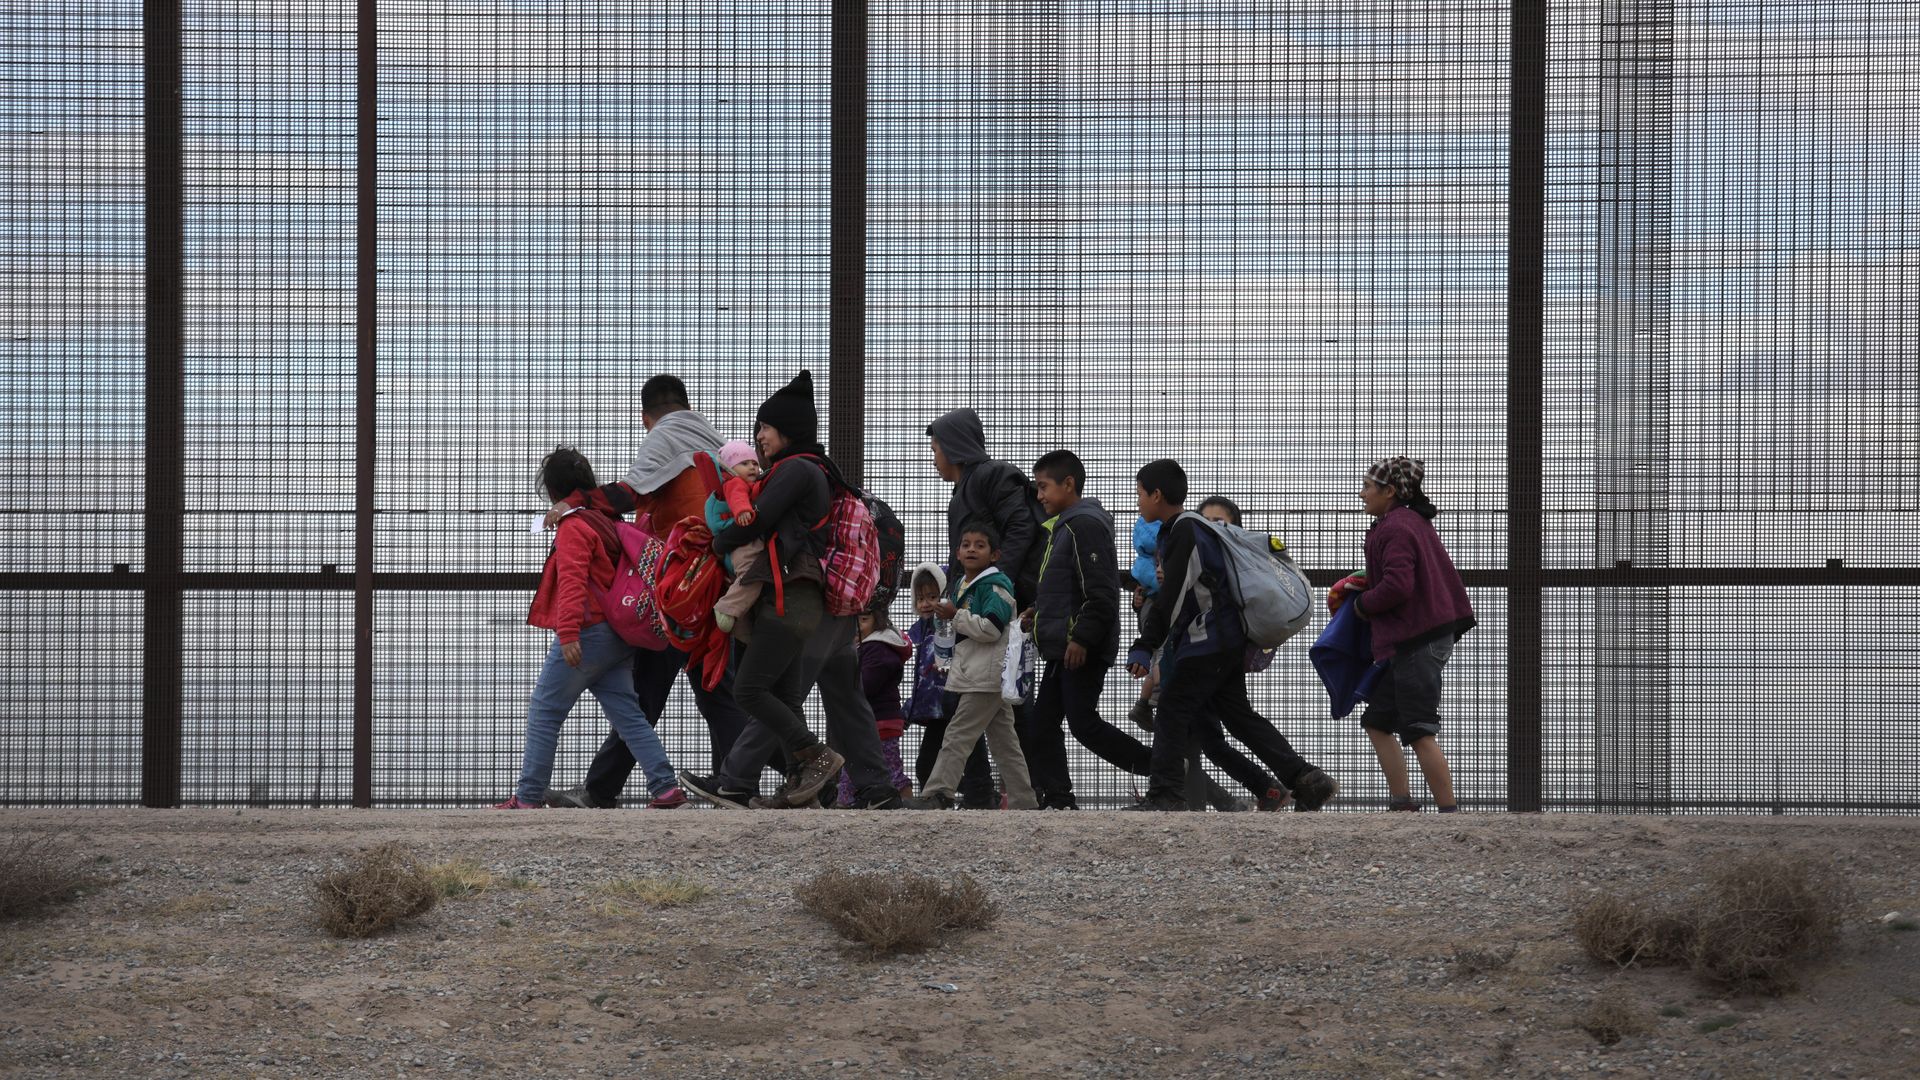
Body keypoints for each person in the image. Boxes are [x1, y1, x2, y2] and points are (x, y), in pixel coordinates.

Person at [676, 371, 903, 810]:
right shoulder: (821, 471)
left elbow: (755, 520)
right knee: (844, 696)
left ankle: (735, 781)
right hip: (833, 600)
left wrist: (720, 540)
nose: (757, 437)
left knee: (776, 693)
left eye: (763, 427)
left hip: (808, 598)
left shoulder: (796, 469)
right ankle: (877, 790)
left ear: (787, 429)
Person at [540, 375, 752, 808]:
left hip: (675, 589)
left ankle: (601, 790)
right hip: (716, 584)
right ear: (687, 404)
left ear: (645, 418)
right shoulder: (713, 443)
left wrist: (574, 502)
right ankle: (736, 785)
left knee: (646, 691)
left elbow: (626, 493)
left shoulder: (664, 436)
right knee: (716, 688)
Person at [1124, 459, 1339, 812]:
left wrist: (1145, 646)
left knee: (1172, 710)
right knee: (1239, 717)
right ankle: (1306, 778)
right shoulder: (1192, 530)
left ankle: (1165, 795)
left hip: (1206, 642)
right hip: (1225, 641)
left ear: (1157, 494)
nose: (1138, 502)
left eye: (1140, 494)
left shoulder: (1184, 530)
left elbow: (1173, 599)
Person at [496, 446, 685, 810]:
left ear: (552, 490)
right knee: (628, 714)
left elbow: (572, 583)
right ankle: (665, 788)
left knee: (545, 709)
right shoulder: (604, 519)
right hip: (617, 635)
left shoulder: (574, 527)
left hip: (588, 632)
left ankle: (528, 797)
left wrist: (567, 635)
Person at [1339, 456, 1475, 813]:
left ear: (1390, 491)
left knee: (1418, 728)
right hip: (1412, 639)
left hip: (1416, 639)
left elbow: (1398, 586)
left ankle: (1448, 812)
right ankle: (1402, 804)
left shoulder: (1395, 527)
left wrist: (1361, 605)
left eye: (1367, 486)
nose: (1362, 493)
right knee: (1378, 721)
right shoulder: (1409, 522)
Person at [1023, 450, 1154, 810]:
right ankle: (1059, 799)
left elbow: (1101, 593)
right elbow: (1067, 588)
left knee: (1082, 723)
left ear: (1069, 484)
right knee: (1043, 725)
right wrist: (1039, 611)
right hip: (1060, 646)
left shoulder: (1085, 526)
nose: (1039, 495)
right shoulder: (1064, 527)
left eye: (1043, 486)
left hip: (1079, 647)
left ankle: (1160, 769)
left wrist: (1081, 638)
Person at [904, 521, 1038, 810]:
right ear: (958, 552)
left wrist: (955, 616)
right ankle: (1024, 801)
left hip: (984, 675)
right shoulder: (964, 587)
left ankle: (939, 793)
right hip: (982, 674)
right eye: (966, 545)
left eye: (980, 545)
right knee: (1005, 743)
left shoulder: (994, 587)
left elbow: (991, 629)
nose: (972, 549)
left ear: (994, 555)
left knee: (957, 733)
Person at [904, 563, 998, 806]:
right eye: (921, 598)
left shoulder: (952, 625)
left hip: (956, 699)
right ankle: (973, 796)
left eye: (933, 597)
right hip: (935, 710)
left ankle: (980, 796)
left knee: (970, 752)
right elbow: (921, 679)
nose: (926, 603)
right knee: (927, 764)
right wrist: (908, 708)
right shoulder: (918, 631)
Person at [835, 606, 915, 806]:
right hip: (875, 720)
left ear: (877, 621)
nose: (857, 627)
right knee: (878, 764)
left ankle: (847, 800)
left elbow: (865, 685)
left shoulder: (877, 648)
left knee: (884, 766)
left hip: (879, 720)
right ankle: (846, 800)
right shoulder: (869, 647)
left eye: (863, 620)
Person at [706, 439, 767, 638]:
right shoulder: (735, 482)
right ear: (730, 468)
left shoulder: (744, 483)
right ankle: (726, 608)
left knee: (738, 583)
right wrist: (742, 511)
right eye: (744, 463)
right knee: (751, 577)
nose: (752, 467)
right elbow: (737, 497)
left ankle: (742, 632)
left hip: (734, 551)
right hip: (743, 546)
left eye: (755, 463)